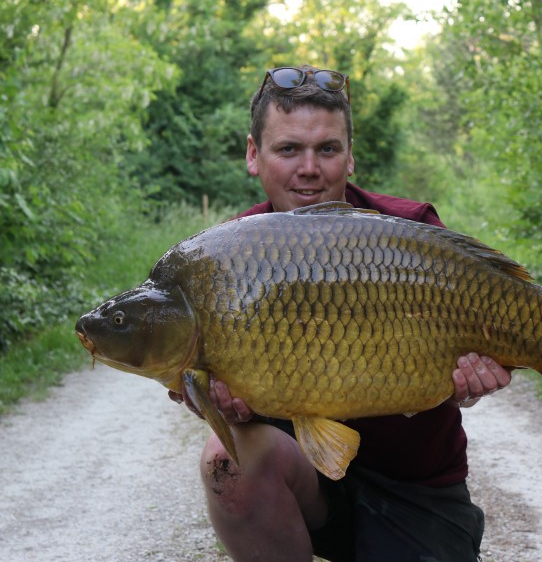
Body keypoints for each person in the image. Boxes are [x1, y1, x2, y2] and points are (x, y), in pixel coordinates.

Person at [171, 65, 512, 561]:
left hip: (413, 488)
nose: (309, 167)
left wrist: (474, 377)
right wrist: (217, 402)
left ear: (350, 157)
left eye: (327, 149)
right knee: (227, 459)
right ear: (253, 154)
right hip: (303, 481)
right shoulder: (228, 254)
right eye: (289, 149)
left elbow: (486, 332)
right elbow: (203, 383)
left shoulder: (410, 228)